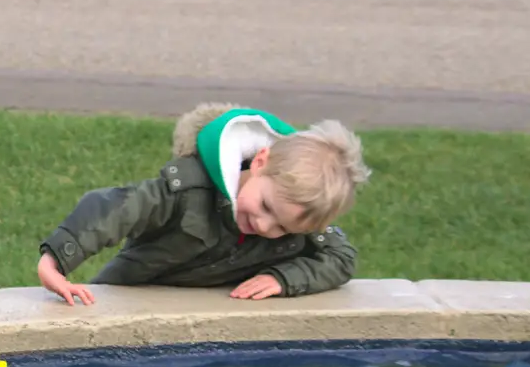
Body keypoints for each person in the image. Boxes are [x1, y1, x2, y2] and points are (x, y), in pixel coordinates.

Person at [38, 103, 370, 306]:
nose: (266, 227)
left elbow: (341, 258)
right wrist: (56, 261)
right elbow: (115, 209)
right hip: (130, 292)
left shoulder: (297, 219)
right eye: (267, 207)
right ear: (260, 161)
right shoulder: (190, 189)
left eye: (283, 227)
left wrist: (285, 278)